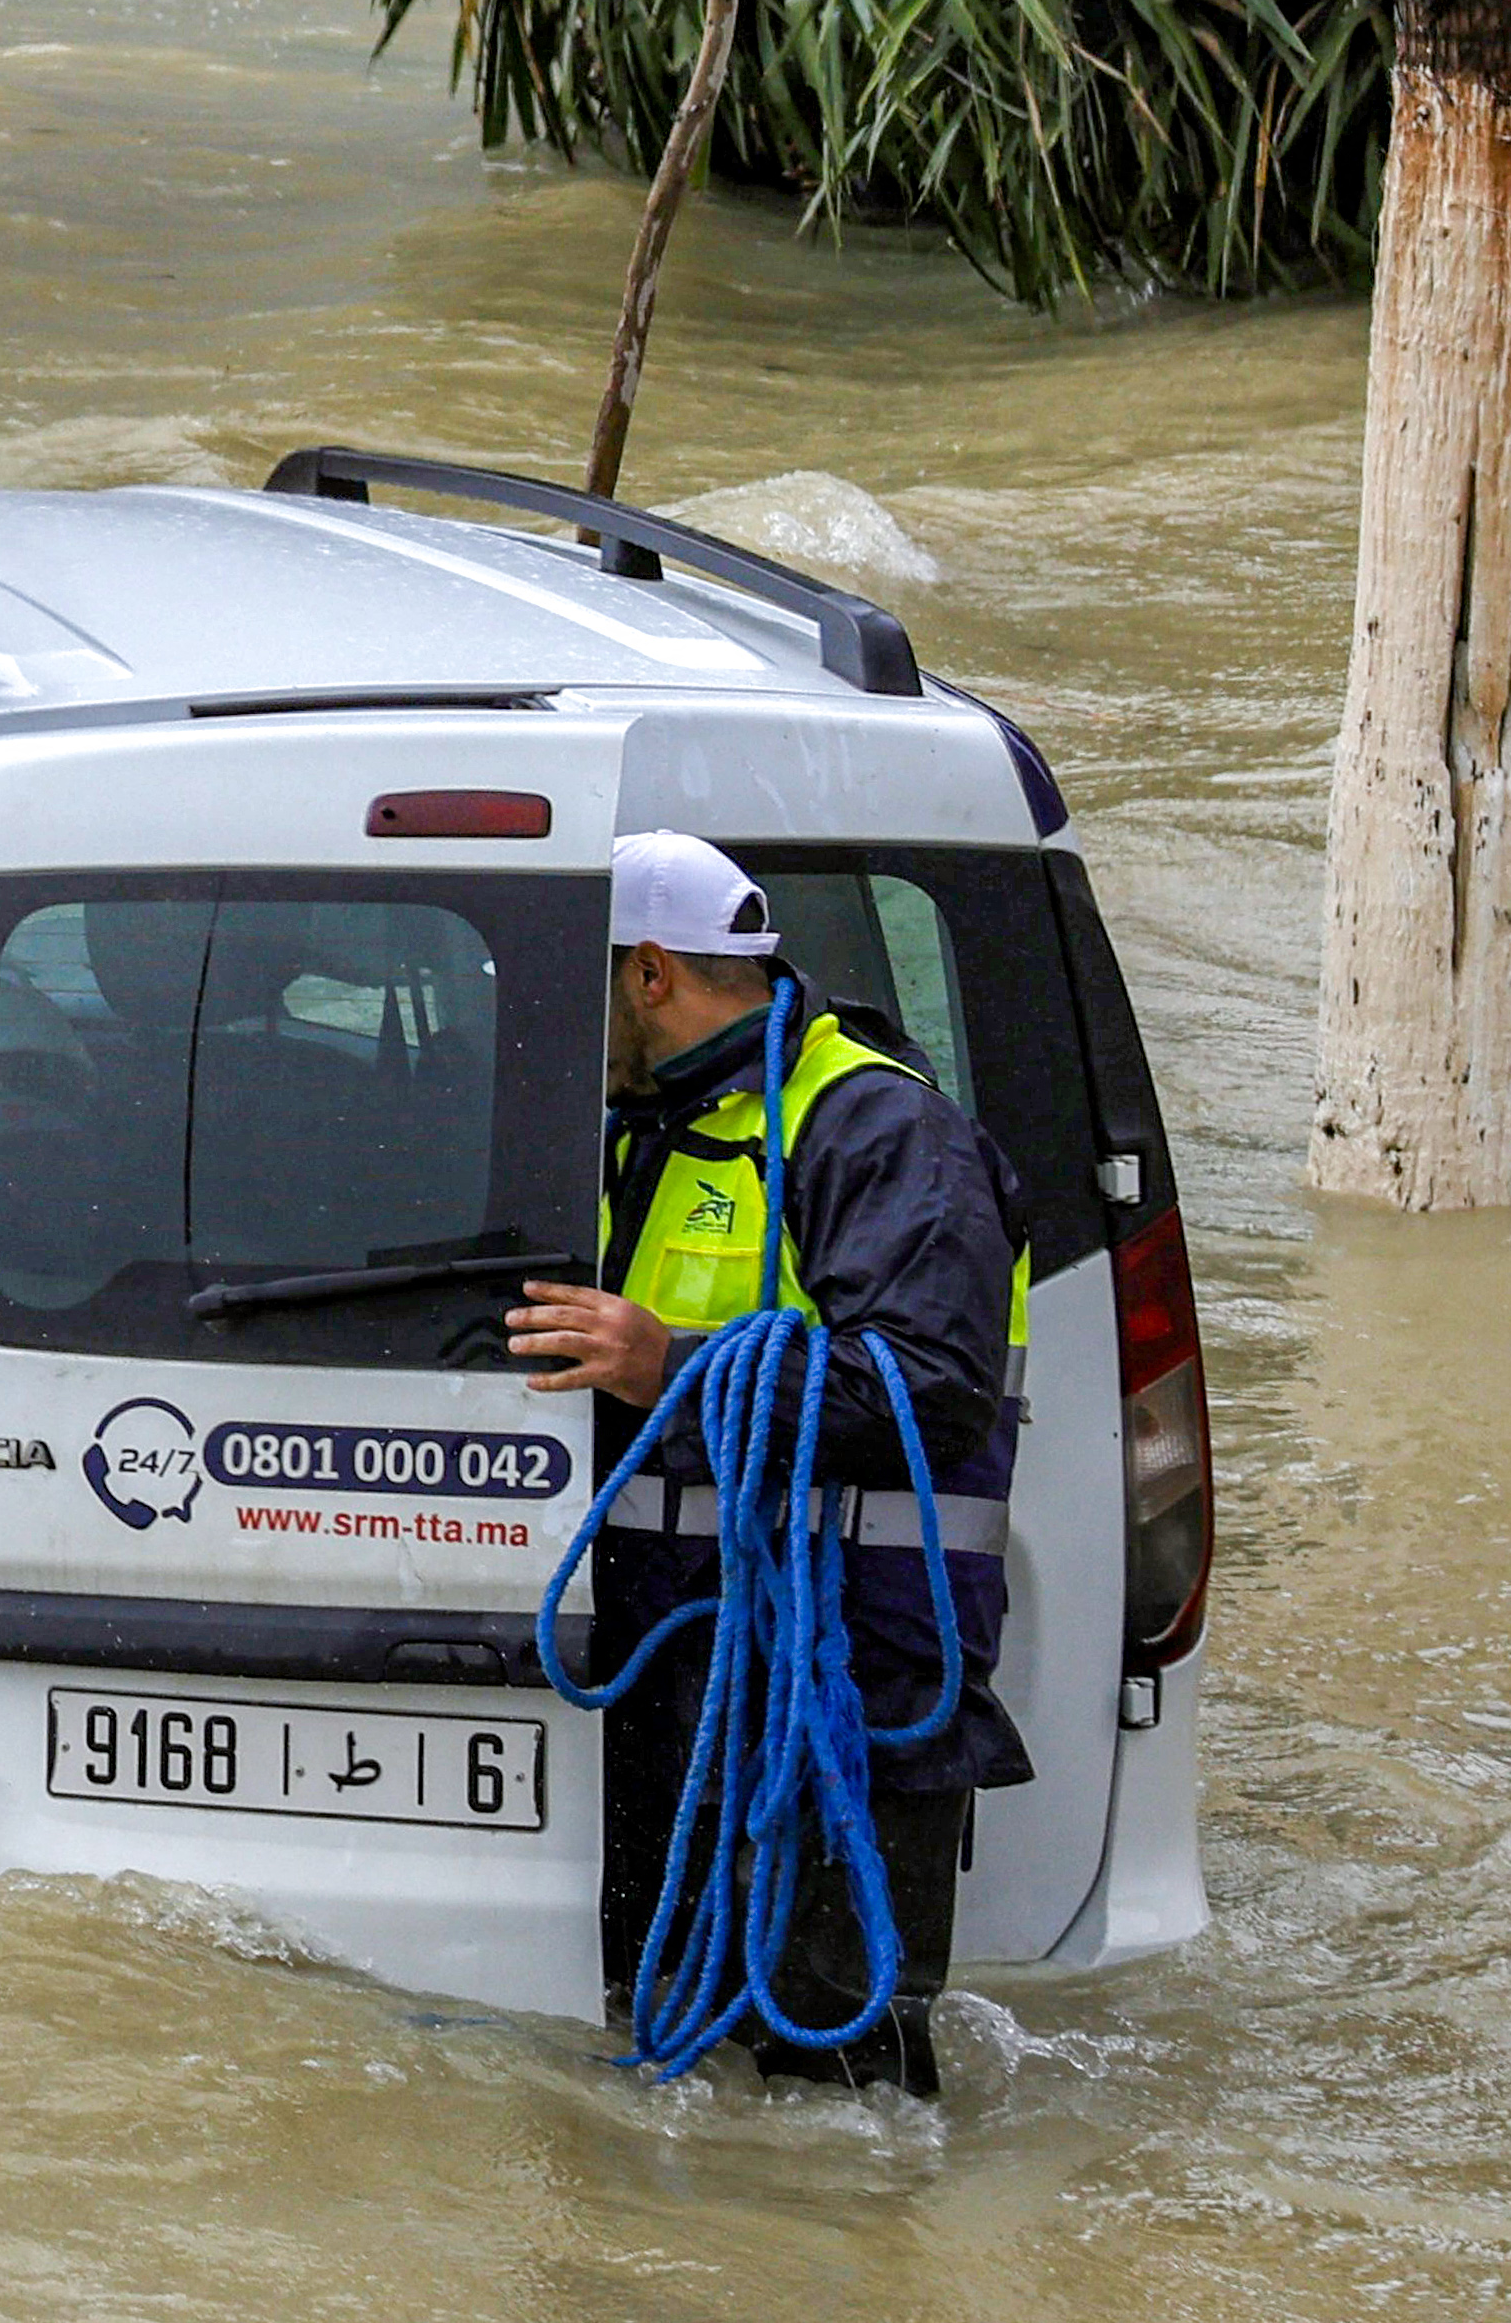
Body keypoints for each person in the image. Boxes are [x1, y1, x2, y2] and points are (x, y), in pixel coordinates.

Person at [509, 828, 1027, 2096]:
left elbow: (932, 1388)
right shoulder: (640, 1130)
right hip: (679, 1657)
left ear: (649, 974)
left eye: (573, 981)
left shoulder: (879, 1129)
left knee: (836, 2072)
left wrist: (666, 1365)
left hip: (846, 1669)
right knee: (663, 2040)